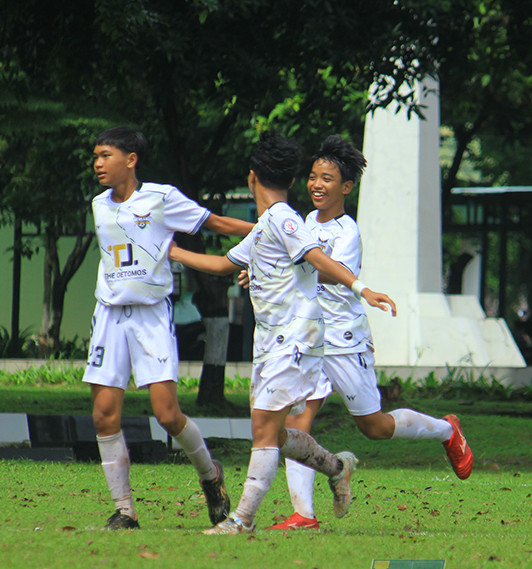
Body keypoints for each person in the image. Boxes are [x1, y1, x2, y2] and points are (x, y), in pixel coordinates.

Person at [169, 130, 398, 535]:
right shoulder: (267, 224)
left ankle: (241, 520)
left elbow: (316, 257)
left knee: (262, 430)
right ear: (292, 180)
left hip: (295, 339)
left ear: (251, 176)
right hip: (272, 338)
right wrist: (169, 252)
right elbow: (224, 264)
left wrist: (362, 289)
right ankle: (336, 467)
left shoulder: (284, 218)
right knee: (274, 430)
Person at [264, 135, 472, 531]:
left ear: (346, 187)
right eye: (312, 176)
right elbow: (296, 265)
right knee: (297, 423)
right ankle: (303, 514)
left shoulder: (347, 230)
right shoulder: (305, 223)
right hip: (309, 339)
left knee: (374, 427)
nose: (316, 185)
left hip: (343, 339)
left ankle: (448, 429)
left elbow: (330, 271)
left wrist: (294, 265)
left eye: (327, 178)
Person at [85, 126, 256, 530]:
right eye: (95, 156)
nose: (97, 163)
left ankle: (211, 475)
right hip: (109, 316)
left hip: (150, 318)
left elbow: (213, 223)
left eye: (106, 155)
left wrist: (266, 231)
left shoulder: (162, 199)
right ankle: (124, 510)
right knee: (103, 415)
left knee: (166, 414)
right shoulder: (98, 204)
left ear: (131, 160)